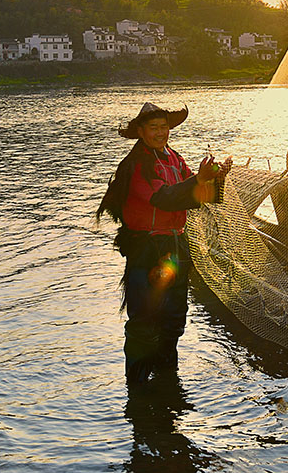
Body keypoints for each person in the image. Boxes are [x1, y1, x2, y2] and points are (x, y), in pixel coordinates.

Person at [97, 102, 231, 385]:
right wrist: (199, 178)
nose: (161, 133)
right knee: (144, 322)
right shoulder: (137, 165)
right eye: (154, 127)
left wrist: (217, 179)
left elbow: (198, 197)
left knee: (174, 319)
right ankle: (137, 388)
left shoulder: (174, 159)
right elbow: (164, 198)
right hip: (146, 250)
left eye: (164, 127)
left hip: (175, 247)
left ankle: (167, 380)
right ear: (141, 132)